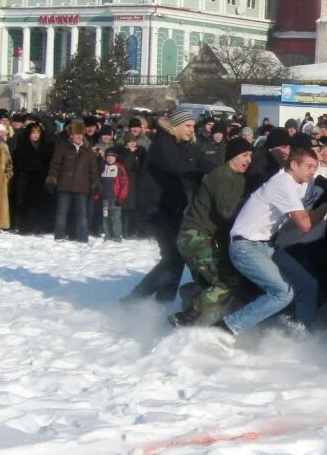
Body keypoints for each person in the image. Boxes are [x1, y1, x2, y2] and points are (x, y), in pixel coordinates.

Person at [220, 146, 327, 336]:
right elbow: (305, 224)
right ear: (294, 165)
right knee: (282, 293)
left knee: (308, 285)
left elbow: (308, 203)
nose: (313, 171)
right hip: (245, 246)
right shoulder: (282, 184)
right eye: (310, 167)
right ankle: (227, 328)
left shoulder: (296, 183)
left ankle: (301, 337)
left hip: (266, 245)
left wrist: (324, 191)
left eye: (315, 167)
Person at [170, 138, 254, 327]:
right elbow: (226, 211)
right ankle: (188, 316)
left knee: (212, 284)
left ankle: (192, 297)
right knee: (226, 282)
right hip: (196, 236)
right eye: (244, 155)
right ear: (232, 155)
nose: (248, 160)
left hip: (203, 237)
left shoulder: (237, 177)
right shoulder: (223, 175)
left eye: (250, 156)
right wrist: (251, 201)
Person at [124, 108, 202, 303]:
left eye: (194, 126)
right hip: (155, 209)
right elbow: (181, 168)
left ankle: (161, 303)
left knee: (175, 257)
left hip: (172, 209)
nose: (192, 130)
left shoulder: (183, 145)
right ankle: (136, 299)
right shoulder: (164, 144)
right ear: (175, 125)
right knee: (173, 256)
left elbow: (201, 162)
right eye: (188, 125)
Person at [47, 120, 100, 243]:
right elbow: (55, 166)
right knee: (61, 214)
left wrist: (95, 185)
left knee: (82, 215)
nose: (78, 137)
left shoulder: (88, 152)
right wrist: (52, 180)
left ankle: (82, 238)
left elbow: (93, 170)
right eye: (76, 134)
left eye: (81, 134)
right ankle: (59, 237)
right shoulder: (62, 148)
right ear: (71, 135)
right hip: (64, 186)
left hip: (82, 188)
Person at [99, 147, 130, 242]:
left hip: (115, 198)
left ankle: (117, 236)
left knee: (115, 218)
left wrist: (121, 198)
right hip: (105, 198)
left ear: (115, 157)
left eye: (112, 156)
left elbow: (124, 183)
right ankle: (107, 235)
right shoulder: (102, 166)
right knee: (105, 217)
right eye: (108, 156)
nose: (110, 158)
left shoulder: (120, 167)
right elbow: (99, 182)